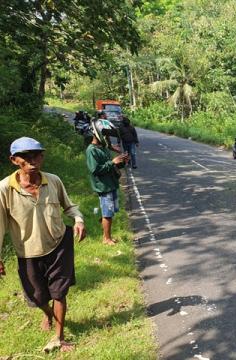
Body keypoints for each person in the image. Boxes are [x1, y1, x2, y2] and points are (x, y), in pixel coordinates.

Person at [0, 137, 86, 352]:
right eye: (26, 156)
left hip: (59, 244)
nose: (32, 160)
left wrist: (78, 219)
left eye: (37, 154)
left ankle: (59, 337)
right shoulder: (4, 189)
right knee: (36, 296)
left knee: (59, 292)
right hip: (28, 251)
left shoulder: (53, 180)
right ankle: (48, 314)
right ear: (14, 160)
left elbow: (69, 206)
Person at [86, 119, 129, 245]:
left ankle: (105, 228)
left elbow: (110, 167)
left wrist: (121, 162)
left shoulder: (103, 148)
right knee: (108, 213)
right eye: (104, 134)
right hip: (104, 186)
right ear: (97, 132)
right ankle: (106, 238)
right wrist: (112, 162)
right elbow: (95, 170)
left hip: (111, 183)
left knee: (110, 212)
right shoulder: (91, 150)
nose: (107, 137)